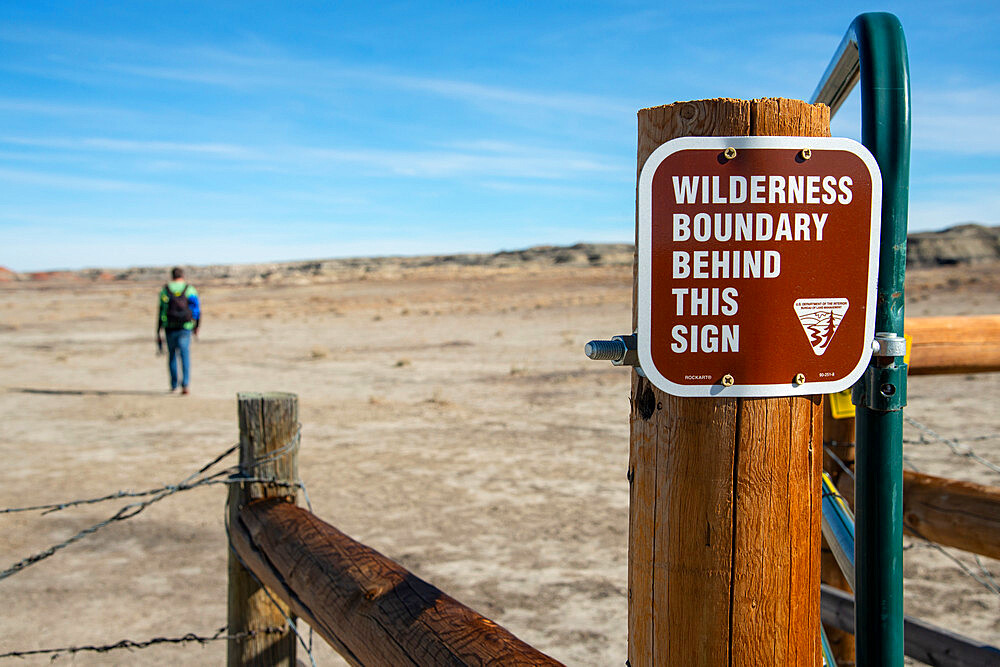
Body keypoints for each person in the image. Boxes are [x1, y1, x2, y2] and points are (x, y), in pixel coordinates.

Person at [156, 267, 200, 394]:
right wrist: (196, 326)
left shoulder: (165, 290)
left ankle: (174, 384)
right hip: (185, 327)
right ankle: (185, 384)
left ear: (172, 276)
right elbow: (196, 309)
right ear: (182, 275)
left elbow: (161, 311)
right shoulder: (189, 289)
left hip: (169, 327)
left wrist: (158, 330)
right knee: (184, 355)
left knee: (172, 356)